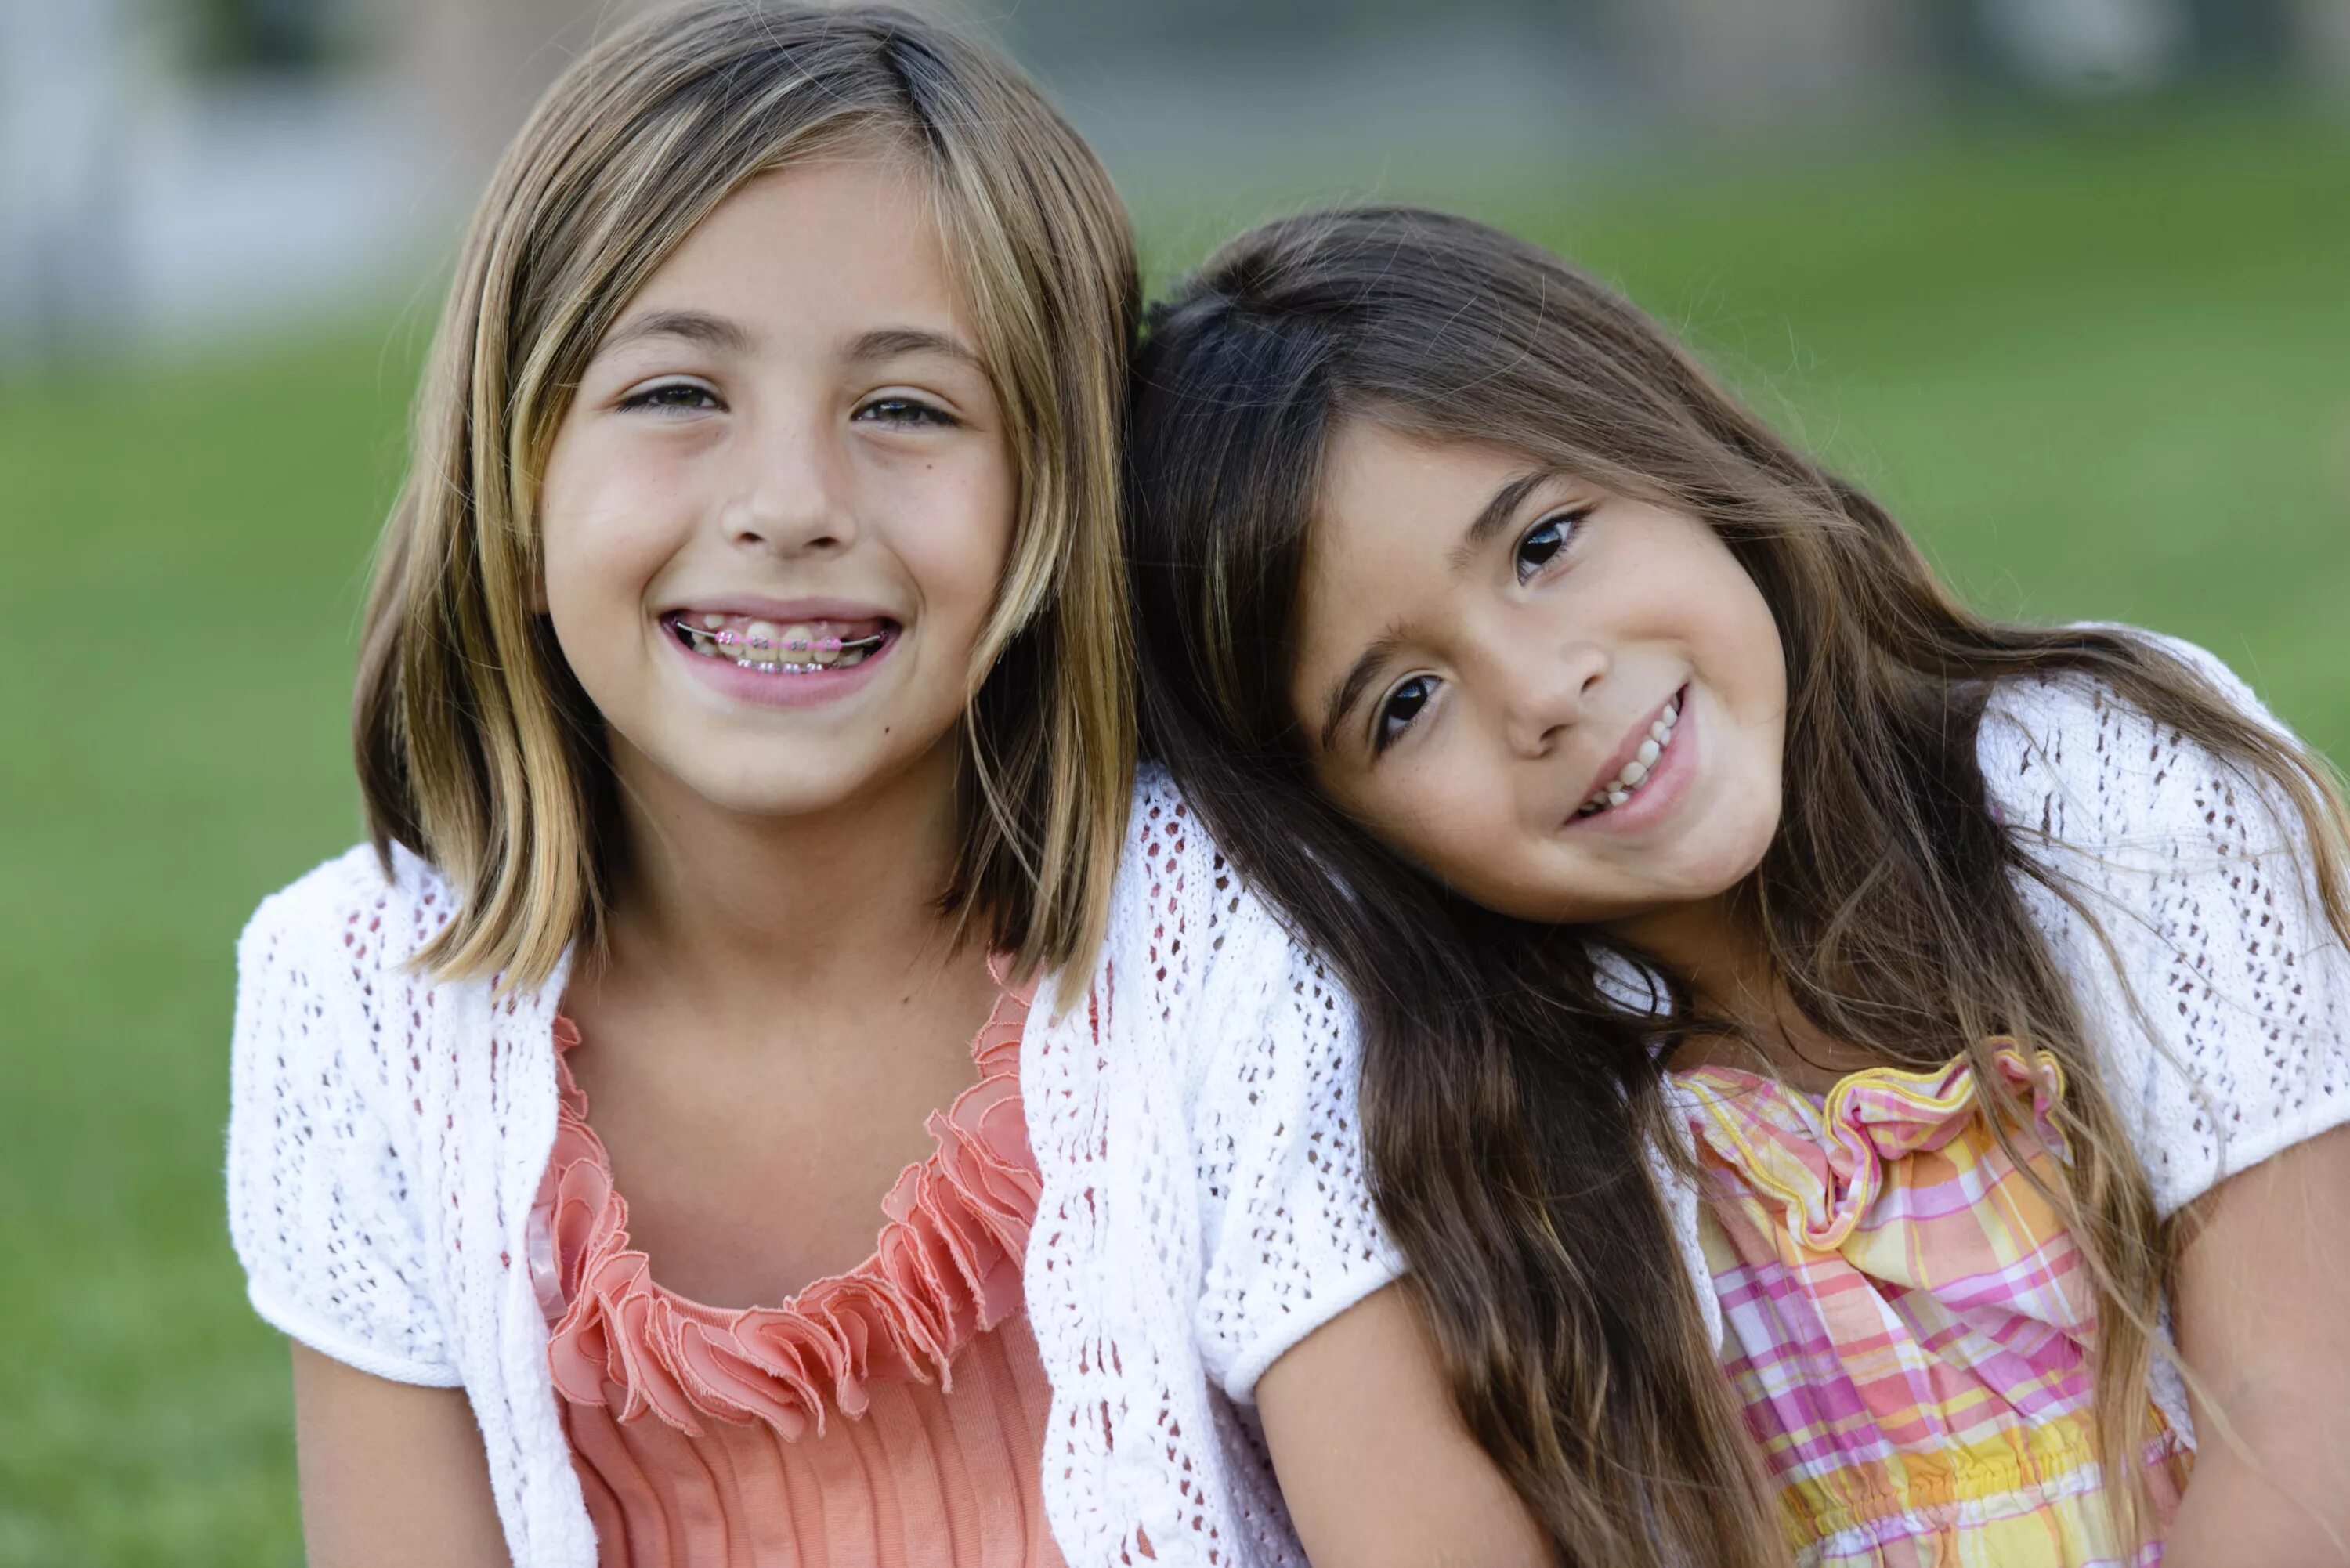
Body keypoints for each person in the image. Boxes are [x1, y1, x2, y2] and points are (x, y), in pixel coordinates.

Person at [226, 14, 1537, 1566]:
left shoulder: (1226, 958)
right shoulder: (359, 999)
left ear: (1052, 507)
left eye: (907, 407)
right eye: (675, 395)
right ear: (516, 485)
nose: (791, 504)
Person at [1124, 204, 2350, 1567]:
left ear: (1667, 447)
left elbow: (2304, 1423)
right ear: (1340, 829)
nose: (1543, 692)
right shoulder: (1476, 1132)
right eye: (1406, 703)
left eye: (1543, 544)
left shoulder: (2095, 785)